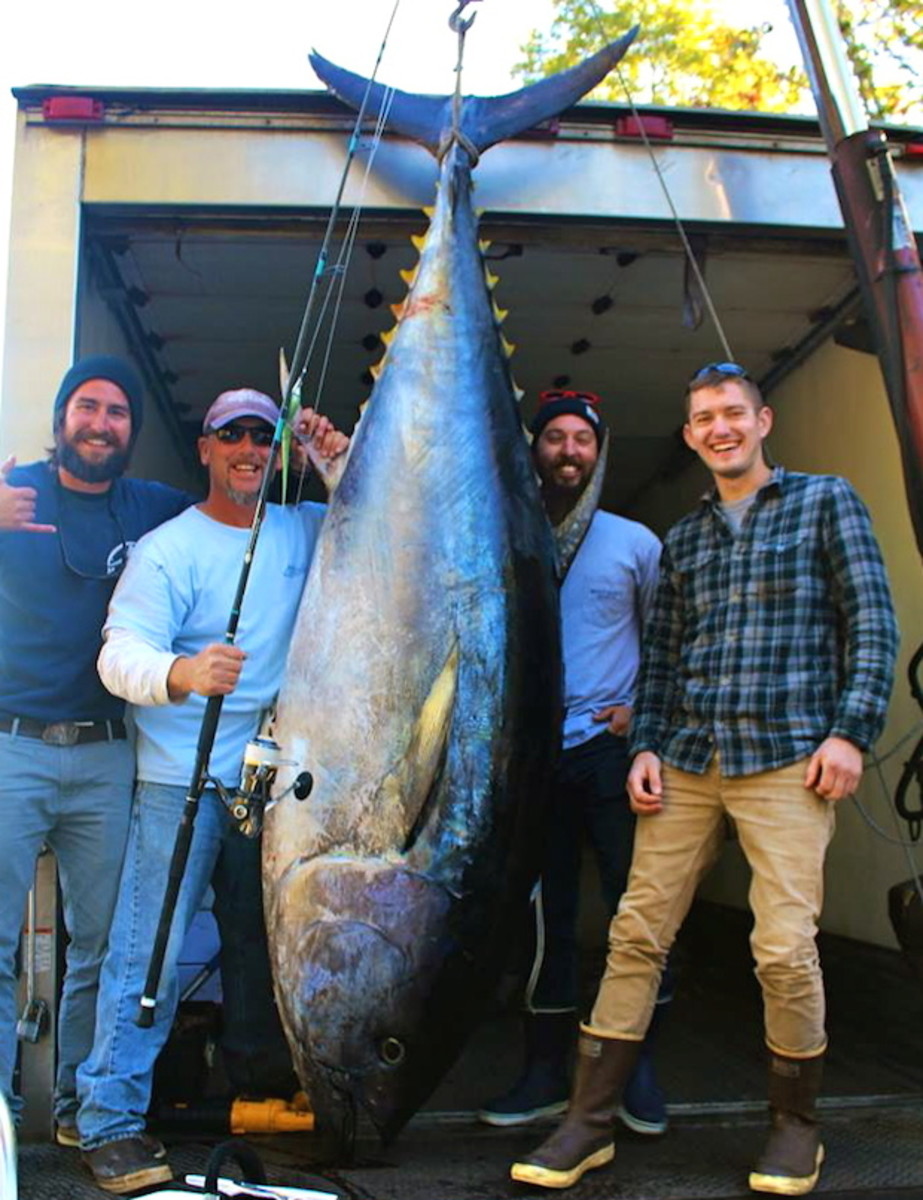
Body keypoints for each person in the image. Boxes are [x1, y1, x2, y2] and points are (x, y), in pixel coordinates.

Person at [511, 362, 899, 1197]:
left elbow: (872, 621)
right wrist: (645, 743)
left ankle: (795, 1127)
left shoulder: (824, 502)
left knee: (782, 949)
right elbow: (664, 659)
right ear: (688, 437)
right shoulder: (682, 539)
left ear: (762, 421)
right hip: (685, 762)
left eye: (732, 413)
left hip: (789, 759)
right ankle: (588, 1121)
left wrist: (850, 733)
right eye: (702, 419)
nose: (718, 428)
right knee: (633, 936)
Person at [76, 388, 348, 1194]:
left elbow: (386, 525)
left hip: (278, 793)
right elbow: (116, 653)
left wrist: (331, 456)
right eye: (230, 434)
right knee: (146, 952)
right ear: (204, 448)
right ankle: (108, 1120)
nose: (247, 449)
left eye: (263, 437)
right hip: (178, 786)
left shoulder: (304, 528)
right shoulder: (167, 549)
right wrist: (180, 673)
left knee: (264, 951)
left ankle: (263, 1091)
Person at [0, 357, 189, 1142]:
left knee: (105, 946)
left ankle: (79, 1105)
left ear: (132, 434)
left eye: (117, 413)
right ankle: (1, 1120)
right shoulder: (14, 493)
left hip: (110, 756)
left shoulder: (150, 508)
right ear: (59, 419)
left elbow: (237, 505)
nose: (100, 423)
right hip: (11, 747)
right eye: (87, 407)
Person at [478, 390, 670, 1134]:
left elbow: (667, 642)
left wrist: (640, 714)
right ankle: (543, 1069)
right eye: (553, 438)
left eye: (580, 440)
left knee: (637, 916)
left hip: (611, 757)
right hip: (530, 762)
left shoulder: (633, 542)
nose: (566, 451)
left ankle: (634, 1068)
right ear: (533, 450)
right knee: (542, 924)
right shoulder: (508, 537)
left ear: (599, 451)